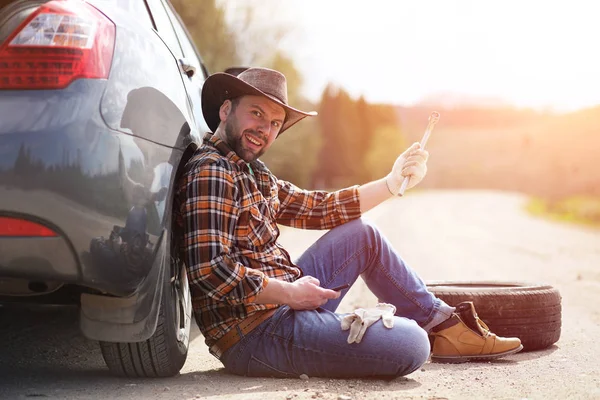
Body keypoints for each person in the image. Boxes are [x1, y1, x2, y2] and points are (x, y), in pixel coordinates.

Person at [174, 67, 523, 379]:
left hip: (282, 304)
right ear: (225, 110)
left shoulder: (253, 172)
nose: (264, 129)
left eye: (275, 123)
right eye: (256, 114)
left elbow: (320, 207)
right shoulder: (212, 169)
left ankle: (445, 327)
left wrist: (392, 182)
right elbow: (210, 272)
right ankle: (425, 332)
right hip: (254, 333)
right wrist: (291, 294)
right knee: (412, 345)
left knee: (362, 235)